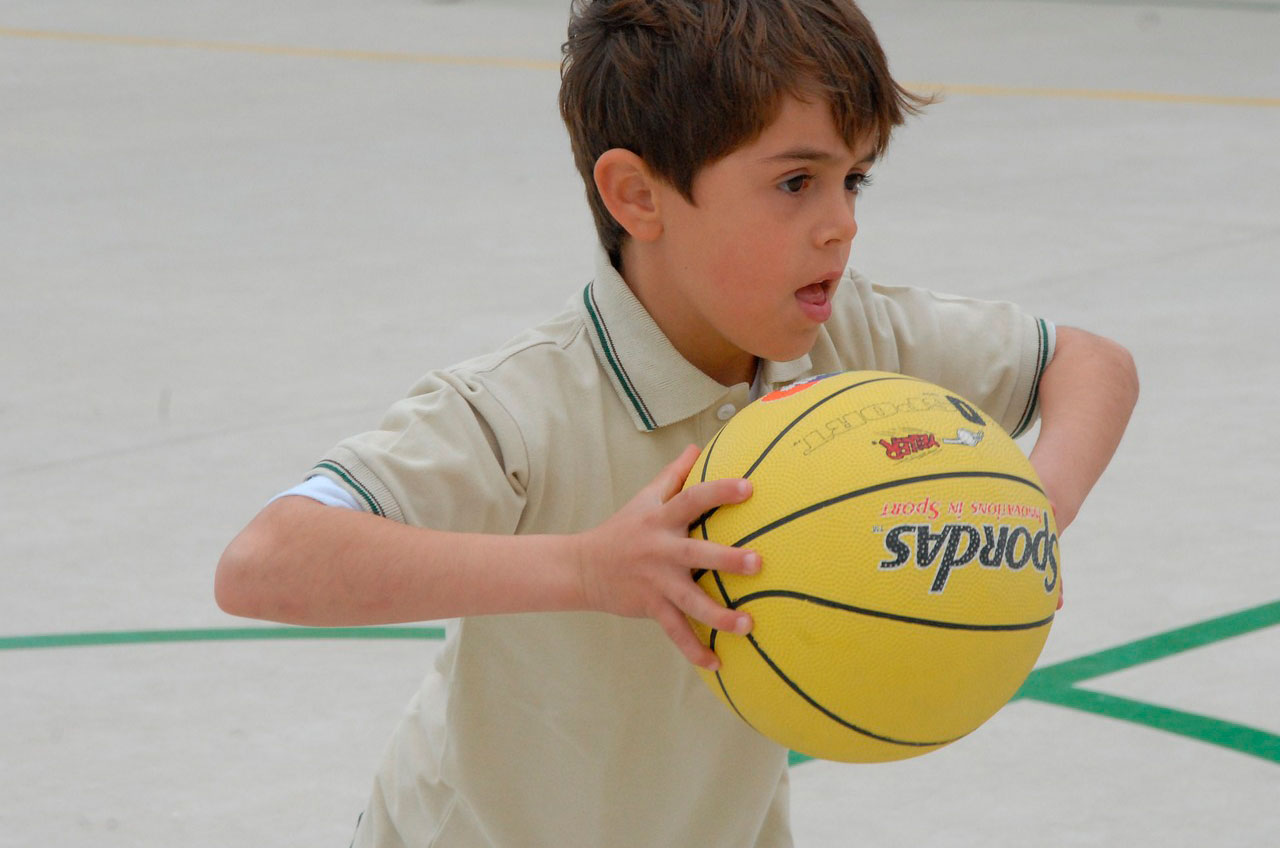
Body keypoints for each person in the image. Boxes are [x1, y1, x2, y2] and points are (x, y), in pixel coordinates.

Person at [215, 1, 1139, 845]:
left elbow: (1091, 363)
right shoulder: (524, 403)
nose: (842, 225)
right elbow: (264, 562)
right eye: (796, 182)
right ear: (638, 195)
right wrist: (588, 569)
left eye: (854, 180)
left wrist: (1035, 506)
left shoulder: (853, 342)